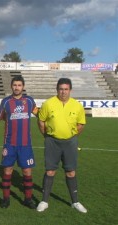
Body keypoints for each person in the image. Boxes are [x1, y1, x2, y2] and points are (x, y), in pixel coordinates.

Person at [0, 75, 38, 209]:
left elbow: (40, 114)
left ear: (23, 86)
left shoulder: (30, 101)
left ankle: (28, 199)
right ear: (11, 86)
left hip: (25, 144)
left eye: (19, 85)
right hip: (9, 143)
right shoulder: (6, 102)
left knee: (27, 172)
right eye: (14, 85)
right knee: (7, 171)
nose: (17, 87)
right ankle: (6, 199)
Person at [36, 78, 87, 213]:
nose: (63, 92)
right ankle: (44, 201)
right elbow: (41, 122)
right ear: (57, 89)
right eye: (60, 89)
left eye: (66, 89)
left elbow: (81, 124)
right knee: (50, 171)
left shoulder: (77, 105)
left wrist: (72, 136)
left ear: (70, 90)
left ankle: (75, 202)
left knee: (70, 172)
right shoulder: (48, 103)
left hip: (70, 142)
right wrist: (47, 137)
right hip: (52, 141)